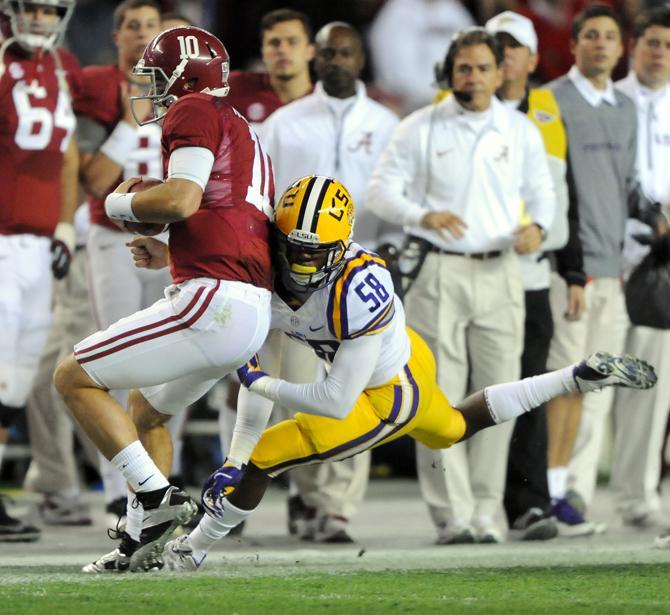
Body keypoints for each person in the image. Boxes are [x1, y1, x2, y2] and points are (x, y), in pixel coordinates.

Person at [123, 175, 656, 572]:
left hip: (377, 393)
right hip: (398, 360)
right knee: (452, 428)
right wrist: (237, 441)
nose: (302, 263)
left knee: (264, 461)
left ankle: (186, 555)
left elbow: (330, 399)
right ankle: (577, 377)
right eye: (294, 249)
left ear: (342, 245)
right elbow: (254, 365)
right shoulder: (262, 263)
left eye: (316, 252)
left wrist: (250, 430)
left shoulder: (358, 288)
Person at [53, 25, 274, 572]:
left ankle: (154, 498)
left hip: (212, 300)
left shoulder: (194, 109)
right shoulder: (240, 127)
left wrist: (118, 205)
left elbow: (182, 197)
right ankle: (140, 545)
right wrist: (172, 245)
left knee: (72, 376)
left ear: (186, 74)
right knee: (145, 412)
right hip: (247, 307)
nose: (152, 89)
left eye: (158, 76)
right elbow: (228, 213)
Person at [366, 27, 555, 544]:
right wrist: (423, 214)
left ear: (502, 72)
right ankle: (452, 516)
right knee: (439, 395)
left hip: (501, 272)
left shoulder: (520, 131)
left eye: (481, 68)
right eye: (462, 68)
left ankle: (489, 511)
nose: (471, 77)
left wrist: (537, 227)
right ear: (450, 72)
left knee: (501, 394)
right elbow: (380, 192)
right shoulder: (420, 126)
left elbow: (544, 197)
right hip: (440, 270)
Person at [259, 21, 400, 541]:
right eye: (329, 53)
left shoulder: (388, 124)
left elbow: (397, 194)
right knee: (302, 391)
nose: (337, 60)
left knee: (357, 392)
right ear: (315, 60)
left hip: (363, 276)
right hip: (298, 283)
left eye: (346, 53)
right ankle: (306, 494)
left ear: (361, 60)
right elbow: (262, 198)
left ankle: (337, 507)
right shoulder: (283, 123)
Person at [543, 4, 662, 534]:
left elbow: (627, 187)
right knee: (568, 384)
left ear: (620, 48)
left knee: (598, 387)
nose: (600, 45)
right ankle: (551, 489)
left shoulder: (623, 109)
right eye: (590, 35)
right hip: (573, 272)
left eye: (608, 37)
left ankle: (576, 495)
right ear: (574, 45)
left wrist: (656, 217)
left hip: (617, 271)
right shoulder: (550, 103)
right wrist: (570, 267)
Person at [73, 0, 166, 524]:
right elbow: (93, 175)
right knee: (110, 354)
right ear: (116, 37)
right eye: (133, 28)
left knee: (166, 361)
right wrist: (138, 112)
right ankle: (118, 483)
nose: (143, 37)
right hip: (113, 239)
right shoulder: (99, 86)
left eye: (151, 27)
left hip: (168, 245)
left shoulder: (182, 89)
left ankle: (155, 476)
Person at [483, 11, 570, 541]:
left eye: (513, 47)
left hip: (532, 276)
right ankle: (471, 508)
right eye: (496, 47)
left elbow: (564, 201)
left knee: (529, 393)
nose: (504, 56)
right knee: (475, 392)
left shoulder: (549, 116)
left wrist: (572, 266)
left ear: (532, 59)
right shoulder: (452, 111)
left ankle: (530, 504)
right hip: (476, 270)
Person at [0, 0, 78, 542]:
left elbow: (69, 155)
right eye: (36, 7)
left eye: (54, 9)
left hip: (38, 245)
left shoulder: (59, 67)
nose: (45, 19)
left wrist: (65, 225)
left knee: (17, 378)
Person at [611, 7, 670, 535]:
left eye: (667, 45)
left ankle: (636, 495)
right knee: (586, 376)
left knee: (650, 386)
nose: (659, 52)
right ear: (635, 46)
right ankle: (570, 490)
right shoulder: (611, 100)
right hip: (608, 258)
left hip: (661, 265)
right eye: (652, 42)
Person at [226, 8, 314, 131]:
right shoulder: (234, 87)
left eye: (292, 42)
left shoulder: (326, 102)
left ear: (311, 51)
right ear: (263, 52)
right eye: (274, 43)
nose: (283, 50)